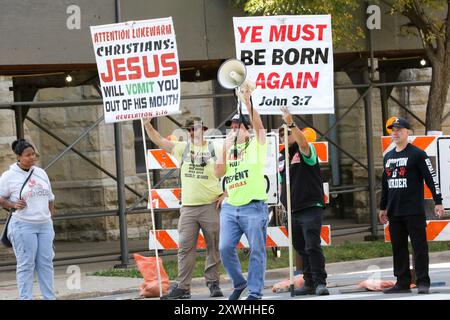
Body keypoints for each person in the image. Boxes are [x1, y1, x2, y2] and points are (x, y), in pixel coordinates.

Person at [144, 116, 225, 299]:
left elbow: (234, 166)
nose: (192, 132)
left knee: (213, 246)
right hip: (188, 207)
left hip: (210, 205)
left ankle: (213, 283)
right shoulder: (182, 148)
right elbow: (158, 140)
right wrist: (146, 124)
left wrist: (226, 193)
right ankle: (183, 288)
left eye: (195, 129)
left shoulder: (215, 147)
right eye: (189, 130)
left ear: (203, 129)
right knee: (185, 248)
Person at [380, 117, 445, 294]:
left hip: (413, 211)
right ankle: (402, 282)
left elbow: (431, 178)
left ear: (408, 132)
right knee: (398, 248)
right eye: (392, 130)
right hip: (394, 211)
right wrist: (382, 207)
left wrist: (438, 201)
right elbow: (385, 184)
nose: (395, 133)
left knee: (419, 248)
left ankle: (423, 282)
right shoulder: (388, 156)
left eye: (399, 129)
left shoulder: (417, 154)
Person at [215, 86, 268, 300]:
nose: (234, 130)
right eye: (232, 127)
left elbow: (259, 126)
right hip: (231, 208)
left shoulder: (256, 145)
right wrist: (224, 150)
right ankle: (240, 283)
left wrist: (247, 102)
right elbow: (218, 172)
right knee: (225, 248)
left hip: (253, 207)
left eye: (238, 126)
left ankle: (255, 292)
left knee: (256, 250)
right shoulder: (229, 149)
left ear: (246, 130)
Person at [278, 107, 329, 296]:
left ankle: (320, 281)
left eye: (287, 133)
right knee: (300, 247)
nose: (285, 136)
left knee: (312, 245)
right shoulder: (282, 157)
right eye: (281, 134)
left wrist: (291, 124)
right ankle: (309, 282)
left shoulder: (305, 150)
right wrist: (283, 207)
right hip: (293, 210)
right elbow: (282, 184)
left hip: (310, 206)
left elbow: (304, 144)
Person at [0, 139, 56, 300]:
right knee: (26, 265)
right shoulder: (9, 176)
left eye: (34, 155)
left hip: (44, 225)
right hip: (23, 226)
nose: (32, 158)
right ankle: (26, 298)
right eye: (28, 155)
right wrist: (12, 203)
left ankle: (49, 297)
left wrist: (49, 217)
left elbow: (50, 198)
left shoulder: (41, 173)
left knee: (46, 263)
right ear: (18, 157)